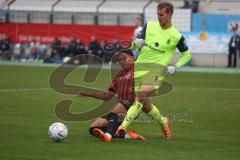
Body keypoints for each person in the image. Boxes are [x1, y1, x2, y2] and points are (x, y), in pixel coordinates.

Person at [115, 2, 192, 140]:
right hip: (139, 69)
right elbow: (135, 45)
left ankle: (122, 128)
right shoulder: (149, 25)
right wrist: (135, 43)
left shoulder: (176, 36)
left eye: (161, 15)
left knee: (140, 96)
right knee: (145, 105)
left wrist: (175, 66)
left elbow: (187, 55)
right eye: (157, 14)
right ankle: (163, 121)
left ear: (170, 15)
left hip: (157, 71)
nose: (159, 17)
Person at [77, 49, 145, 142]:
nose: (121, 61)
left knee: (113, 114)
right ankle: (128, 136)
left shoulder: (138, 68)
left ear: (132, 58)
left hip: (133, 104)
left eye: (124, 58)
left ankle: (108, 136)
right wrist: (87, 93)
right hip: (122, 106)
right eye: (119, 60)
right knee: (93, 128)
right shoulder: (119, 75)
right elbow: (107, 96)